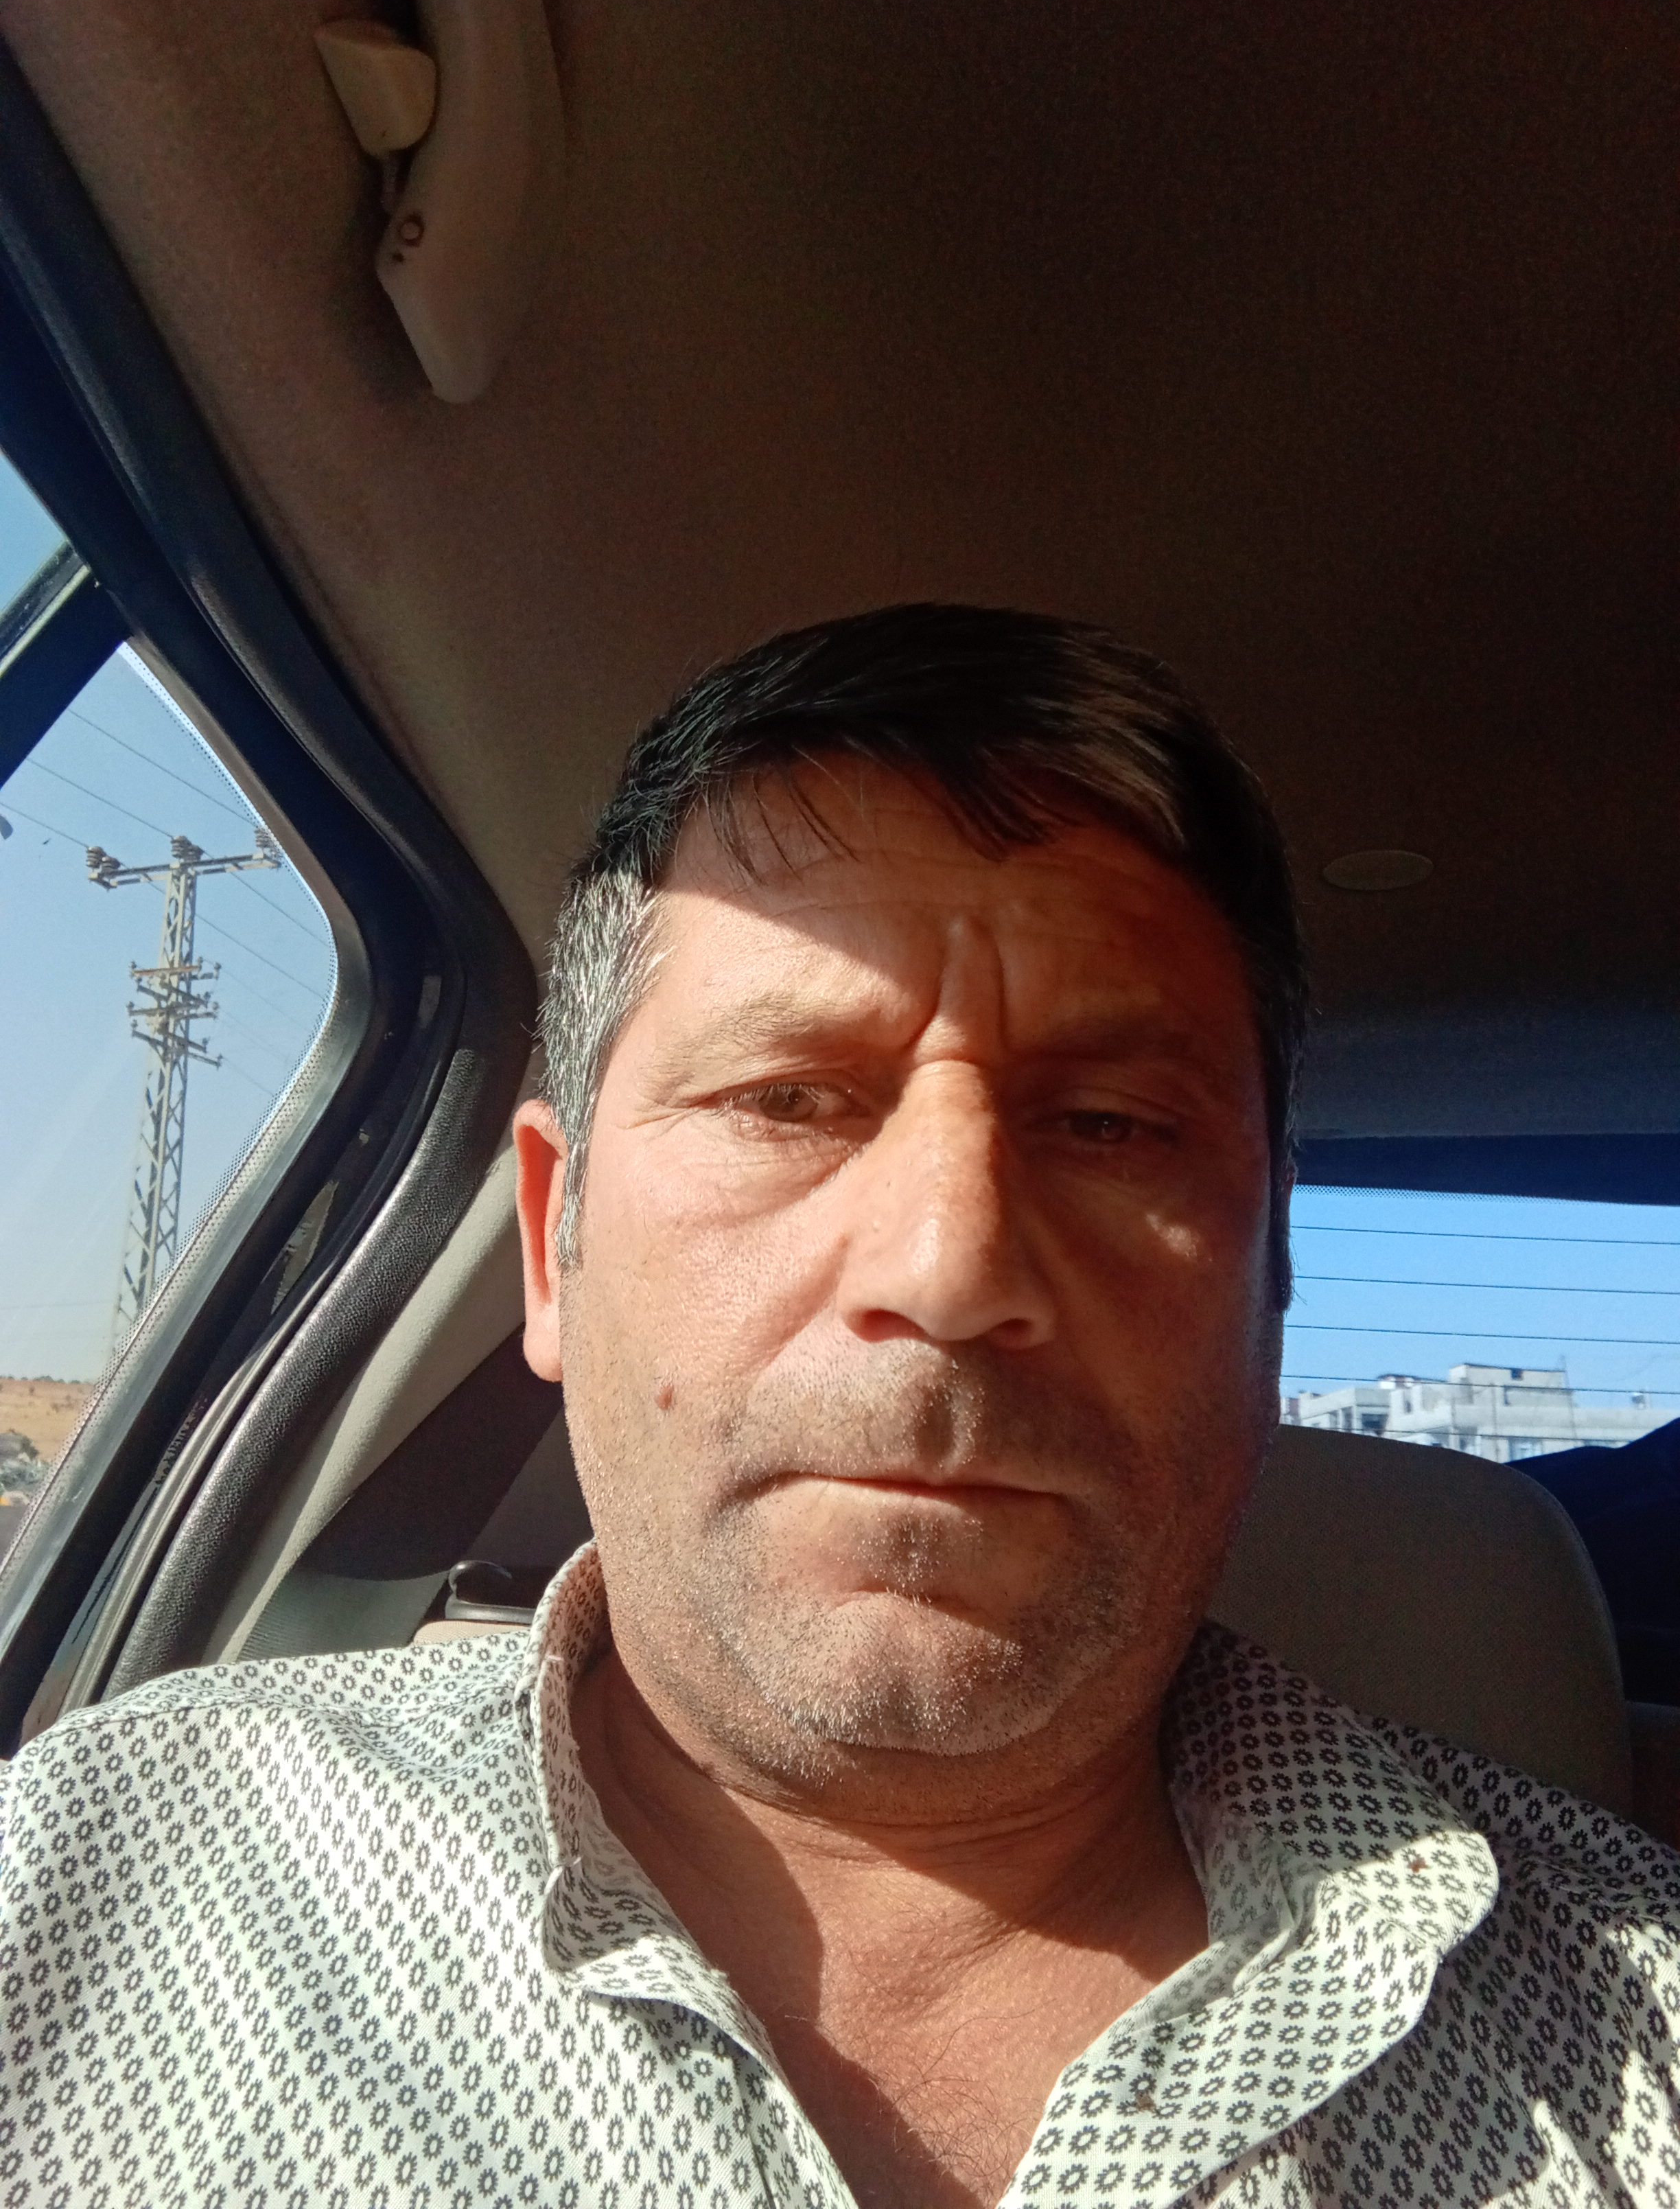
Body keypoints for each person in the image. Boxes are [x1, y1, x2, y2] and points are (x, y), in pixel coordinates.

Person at [1, 605, 1676, 2208]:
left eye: (1109, 1125)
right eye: (789, 1099)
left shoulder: (1638, 2024)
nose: (951, 1269)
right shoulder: (83, 1883)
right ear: (555, 1247)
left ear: (1272, 1272)